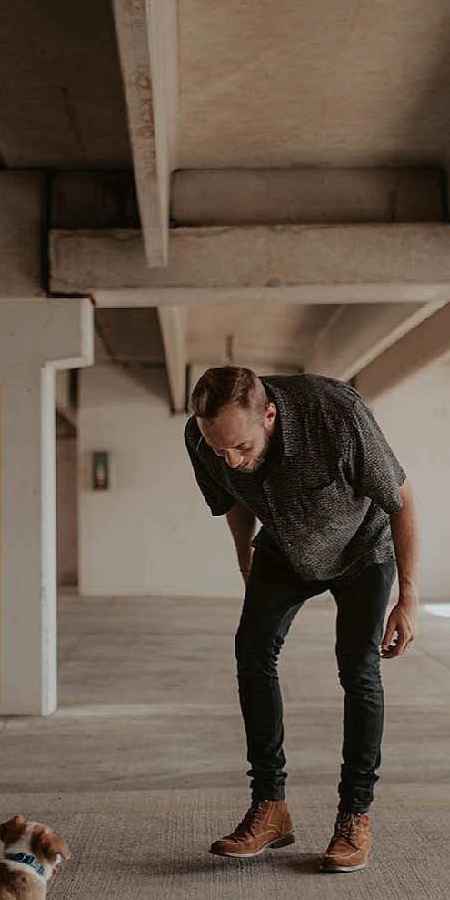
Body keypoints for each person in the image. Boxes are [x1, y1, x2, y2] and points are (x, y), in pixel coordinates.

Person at [183, 365, 419, 873]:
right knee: (252, 650)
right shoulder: (204, 439)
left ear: (269, 415)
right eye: (217, 448)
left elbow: (401, 501)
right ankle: (271, 809)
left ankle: (354, 816)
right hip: (284, 549)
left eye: (242, 447)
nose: (230, 458)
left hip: (362, 550)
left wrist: (409, 598)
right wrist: (247, 565)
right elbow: (232, 500)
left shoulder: (336, 414)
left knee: (357, 669)